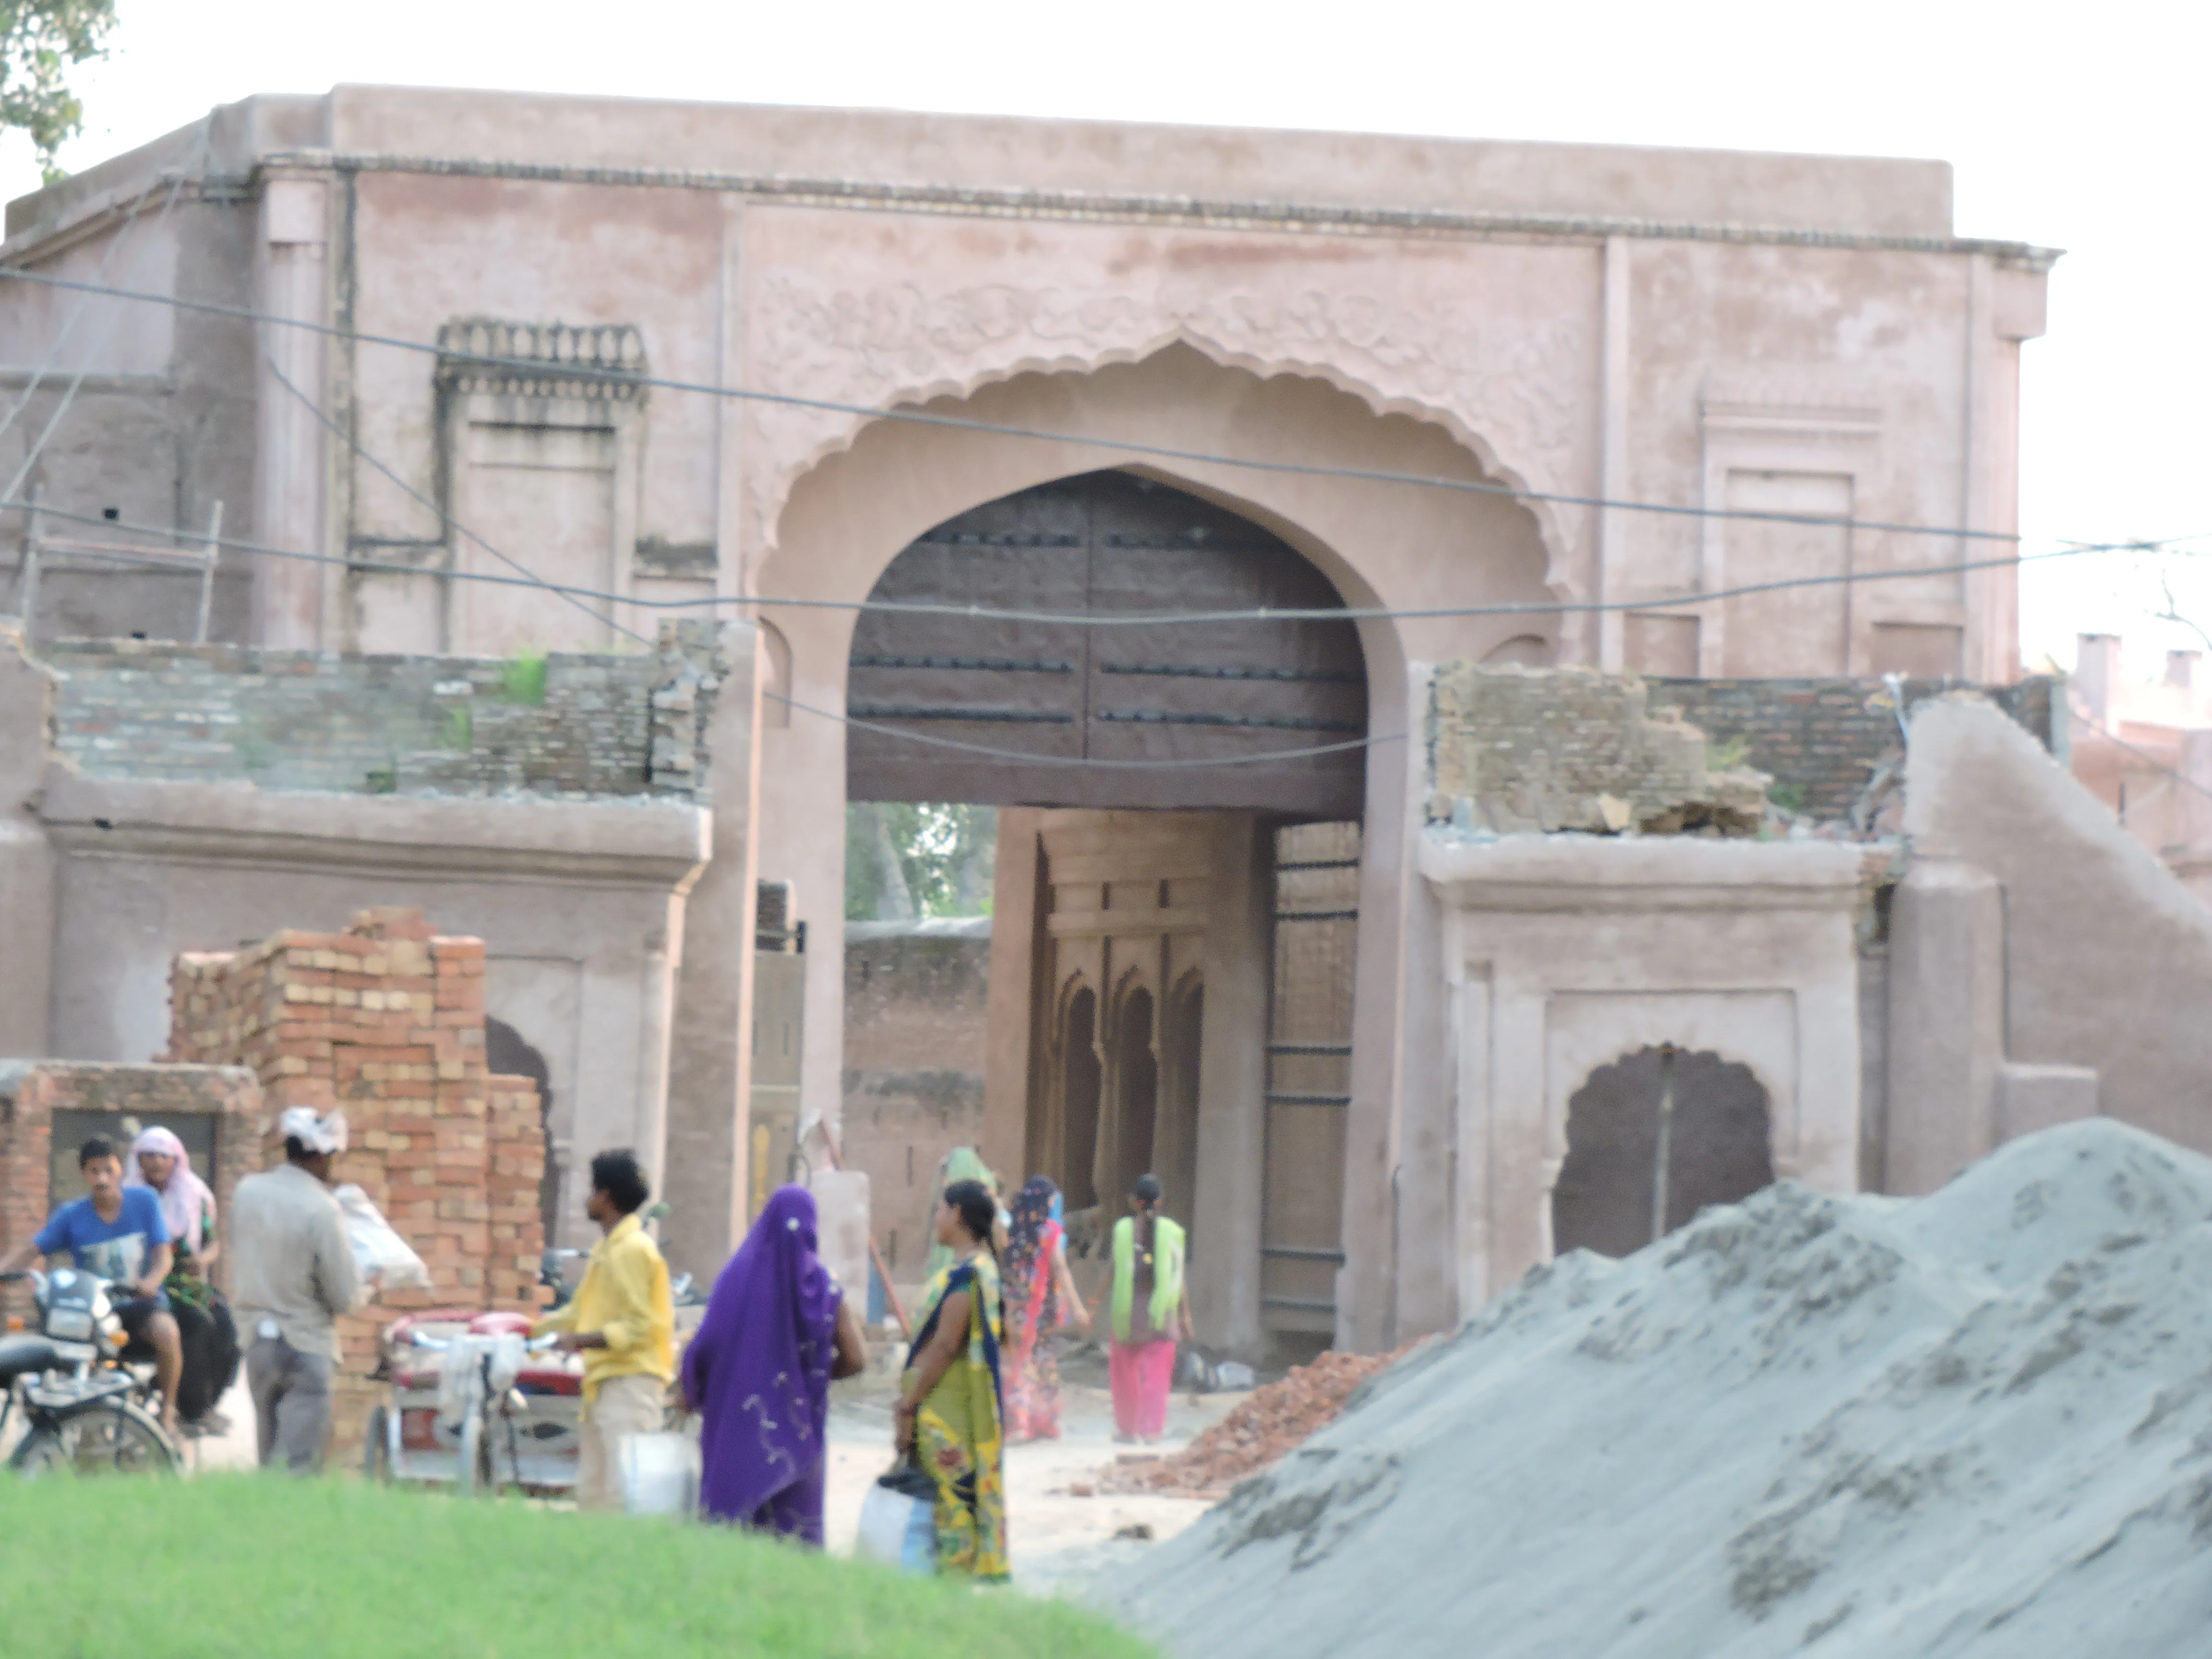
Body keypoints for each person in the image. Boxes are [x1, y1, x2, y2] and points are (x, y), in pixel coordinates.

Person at [681, 1184, 868, 1543]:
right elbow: (857, 1359)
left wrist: (693, 1388)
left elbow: (706, 1345)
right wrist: (804, 1379)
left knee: (732, 1537)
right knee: (791, 1540)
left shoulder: (735, 1282)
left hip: (736, 1433)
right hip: (799, 1440)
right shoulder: (827, 1291)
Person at [0, 1135, 185, 1434]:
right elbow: (33, 1249)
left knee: (167, 1334)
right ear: (84, 1174)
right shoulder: (72, 1216)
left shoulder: (145, 1202)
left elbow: (164, 1257)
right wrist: (4, 1271)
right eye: (94, 1172)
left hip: (140, 1303)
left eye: (107, 1170)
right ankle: (81, 1423)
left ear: (119, 1170)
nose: (101, 1179)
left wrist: (151, 1282)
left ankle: (167, 1412)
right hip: (94, 1312)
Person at [532, 1148, 675, 1514]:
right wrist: (531, 1329)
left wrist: (579, 1341)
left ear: (606, 1196)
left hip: (631, 1384)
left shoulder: (632, 1250)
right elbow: (580, 1311)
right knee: (593, 1497)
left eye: (592, 1190)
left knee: (624, 1496)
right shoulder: (608, 1250)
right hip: (604, 1382)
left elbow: (640, 1325)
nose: (587, 1199)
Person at [228, 1107, 362, 1473]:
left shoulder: (247, 1192)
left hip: (257, 1342)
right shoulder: (322, 1210)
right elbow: (344, 1296)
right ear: (320, 1157)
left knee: (268, 1456)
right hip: (305, 1347)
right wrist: (371, 1284)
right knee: (296, 1470)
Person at [893, 1178, 1009, 1582]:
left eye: (941, 1210)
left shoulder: (969, 1276)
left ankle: (951, 1591)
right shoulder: (970, 1270)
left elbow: (944, 1347)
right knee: (942, 1508)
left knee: (951, 1512)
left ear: (958, 1215)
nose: (937, 1218)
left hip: (946, 1416)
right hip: (942, 1410)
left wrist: (909, 1403)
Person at [125, 1125, 240, 1434]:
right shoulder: (130, 1198)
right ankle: (188, 1408)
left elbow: (212, 1242)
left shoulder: (194, 1195)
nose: (156, 1162)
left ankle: (207, 1402)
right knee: (196, 1323)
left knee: (226, 1324)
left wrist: (201, 1260)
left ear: (175, 1160)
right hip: (147, 1283)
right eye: (148, 1155)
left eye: (163, 1156)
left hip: (187, 1282)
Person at [1002, 1176, 1088, 1442]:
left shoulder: (1010, 1229)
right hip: (1042, 1309)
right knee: (1043, 1359)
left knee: (1019, 1361)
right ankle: (1043, 1422)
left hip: (1015, 1307)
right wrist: (1079, 1309)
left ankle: (1018, 1423)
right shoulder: (1050, 1232)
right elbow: (1060, 1269)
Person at [1106, 1174, 1190, 1445]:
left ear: (1134, 1202)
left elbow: (1114, 1269)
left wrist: (1094, 1302)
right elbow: (1179, 1276)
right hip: (1162, 1313)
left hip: (1128, 1313)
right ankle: (1151, 1430)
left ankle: (1128, 1430)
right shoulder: (1173, 1232)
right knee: (1157, 1374)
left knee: (1124, 1374)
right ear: (1161, 1202)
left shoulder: (1123, 1231)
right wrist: (1185, 1314)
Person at [924, 1147, 1008, 1279]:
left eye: (941, 1210)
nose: (944, 1182)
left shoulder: (963, 1278)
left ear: (957, 1212)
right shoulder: (984, 1267)